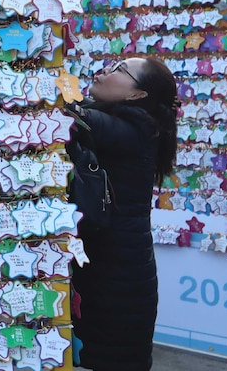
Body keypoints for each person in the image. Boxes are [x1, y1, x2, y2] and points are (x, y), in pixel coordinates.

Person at [67, 57, 179, 371]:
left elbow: (76, 119)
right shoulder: (119, 120)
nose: (105, 71)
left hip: (118, 284)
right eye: (111, 65)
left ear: (136, 95)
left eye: (120, 70)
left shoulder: (137, 129)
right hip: (107, 272)